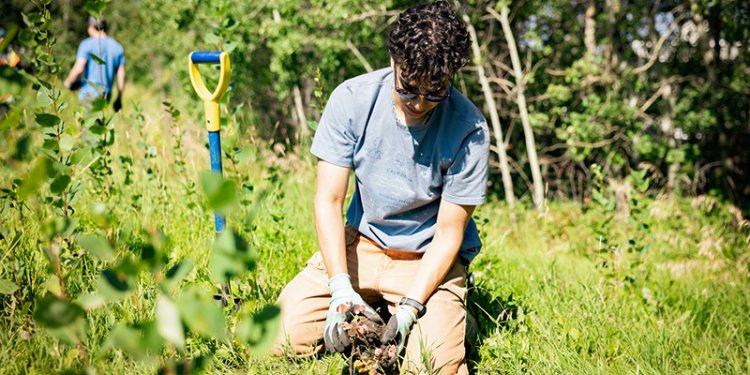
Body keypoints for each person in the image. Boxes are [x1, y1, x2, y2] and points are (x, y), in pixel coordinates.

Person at [273, 1, 489, 373]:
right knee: (275, 340)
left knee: (432, 368)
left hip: (426, 260)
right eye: (409, 89)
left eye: (435, 92)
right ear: (393, 61)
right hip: (362, 245)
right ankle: (366, 311)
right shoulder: (352, 100)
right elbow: (328, 201)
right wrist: (340, 286)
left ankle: (444, 316)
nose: (420, 103)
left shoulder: (470, 130)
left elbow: (449, 236)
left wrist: (411, 306)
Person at [63, 17, 125, 111]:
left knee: (89, 124)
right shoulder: (118, 47)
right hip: (106, 94)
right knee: (99, 123)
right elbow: (121, 74)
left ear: (91, 26)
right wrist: (119, 97)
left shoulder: (86, 44)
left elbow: (79, 68)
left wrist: (68, 82)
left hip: (89, 93)